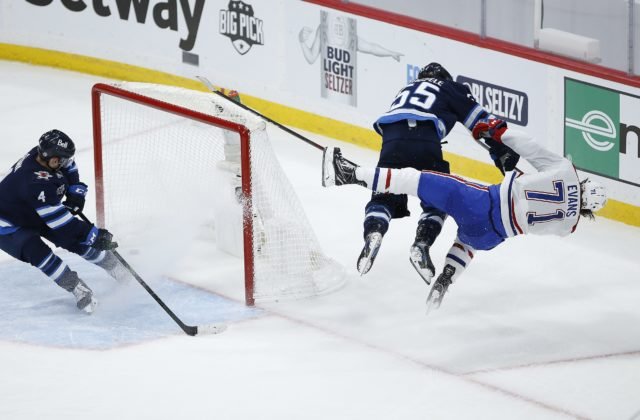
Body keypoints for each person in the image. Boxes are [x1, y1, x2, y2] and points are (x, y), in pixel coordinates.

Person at [322, 118, 607, 310]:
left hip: (484, 202)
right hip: (494, 235)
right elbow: (531, 215)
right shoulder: (568, 226)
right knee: (467, 242)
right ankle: (445, 279)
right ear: (587, 210)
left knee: (414, 179)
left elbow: (529, 148)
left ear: (584, 184)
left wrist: (499, 132)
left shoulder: (566, 171)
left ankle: (347, 174)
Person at [357, 62, 520, 284]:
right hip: (424, 137)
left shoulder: (406, 89)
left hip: (391, 138)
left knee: (385, 192)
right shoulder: (450, 88)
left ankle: (374, 232)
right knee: (437, 199)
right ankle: (422, 243)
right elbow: (482, 122)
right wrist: (502, 152)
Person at [0, 130, 119, 314]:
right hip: (8, 224)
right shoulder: (35, 182)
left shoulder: (43, 154)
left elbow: (70, 165)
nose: (64, 162)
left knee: (77, 241)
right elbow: (64, 226)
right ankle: (77, 288)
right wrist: (94, 235)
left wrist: (74, 193)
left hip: (33, 209)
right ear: (52, 159)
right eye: (61, 160)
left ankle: (116, 268)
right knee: (39, 254)